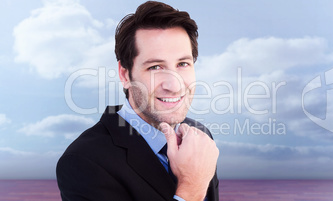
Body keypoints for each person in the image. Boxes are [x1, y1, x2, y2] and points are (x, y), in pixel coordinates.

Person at [56, 1, 220, 201]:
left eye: (183, 64)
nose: (174, 85)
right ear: (124, 75)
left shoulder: (200, 138)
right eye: (155, 67)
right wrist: (191, 190)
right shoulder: (83, 162)